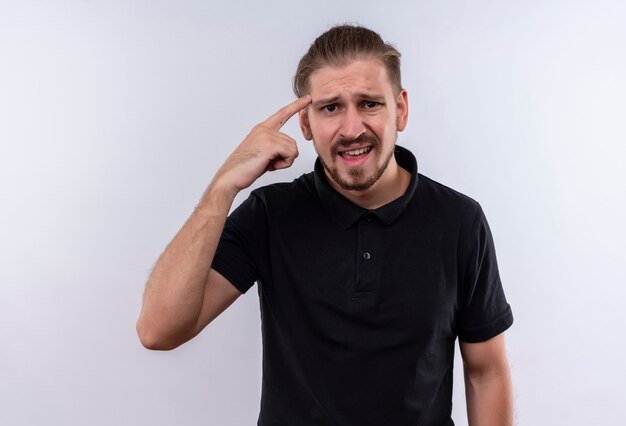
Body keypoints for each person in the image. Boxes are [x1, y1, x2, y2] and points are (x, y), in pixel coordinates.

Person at [137, 24, 514, 426]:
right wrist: (223, 186)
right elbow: (158, 330)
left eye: (369, 104)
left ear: (400, 109)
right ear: (305, 123)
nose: (352, 129)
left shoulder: (458, 221)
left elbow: (485, 371)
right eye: (331, 107)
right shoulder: (270, 214)